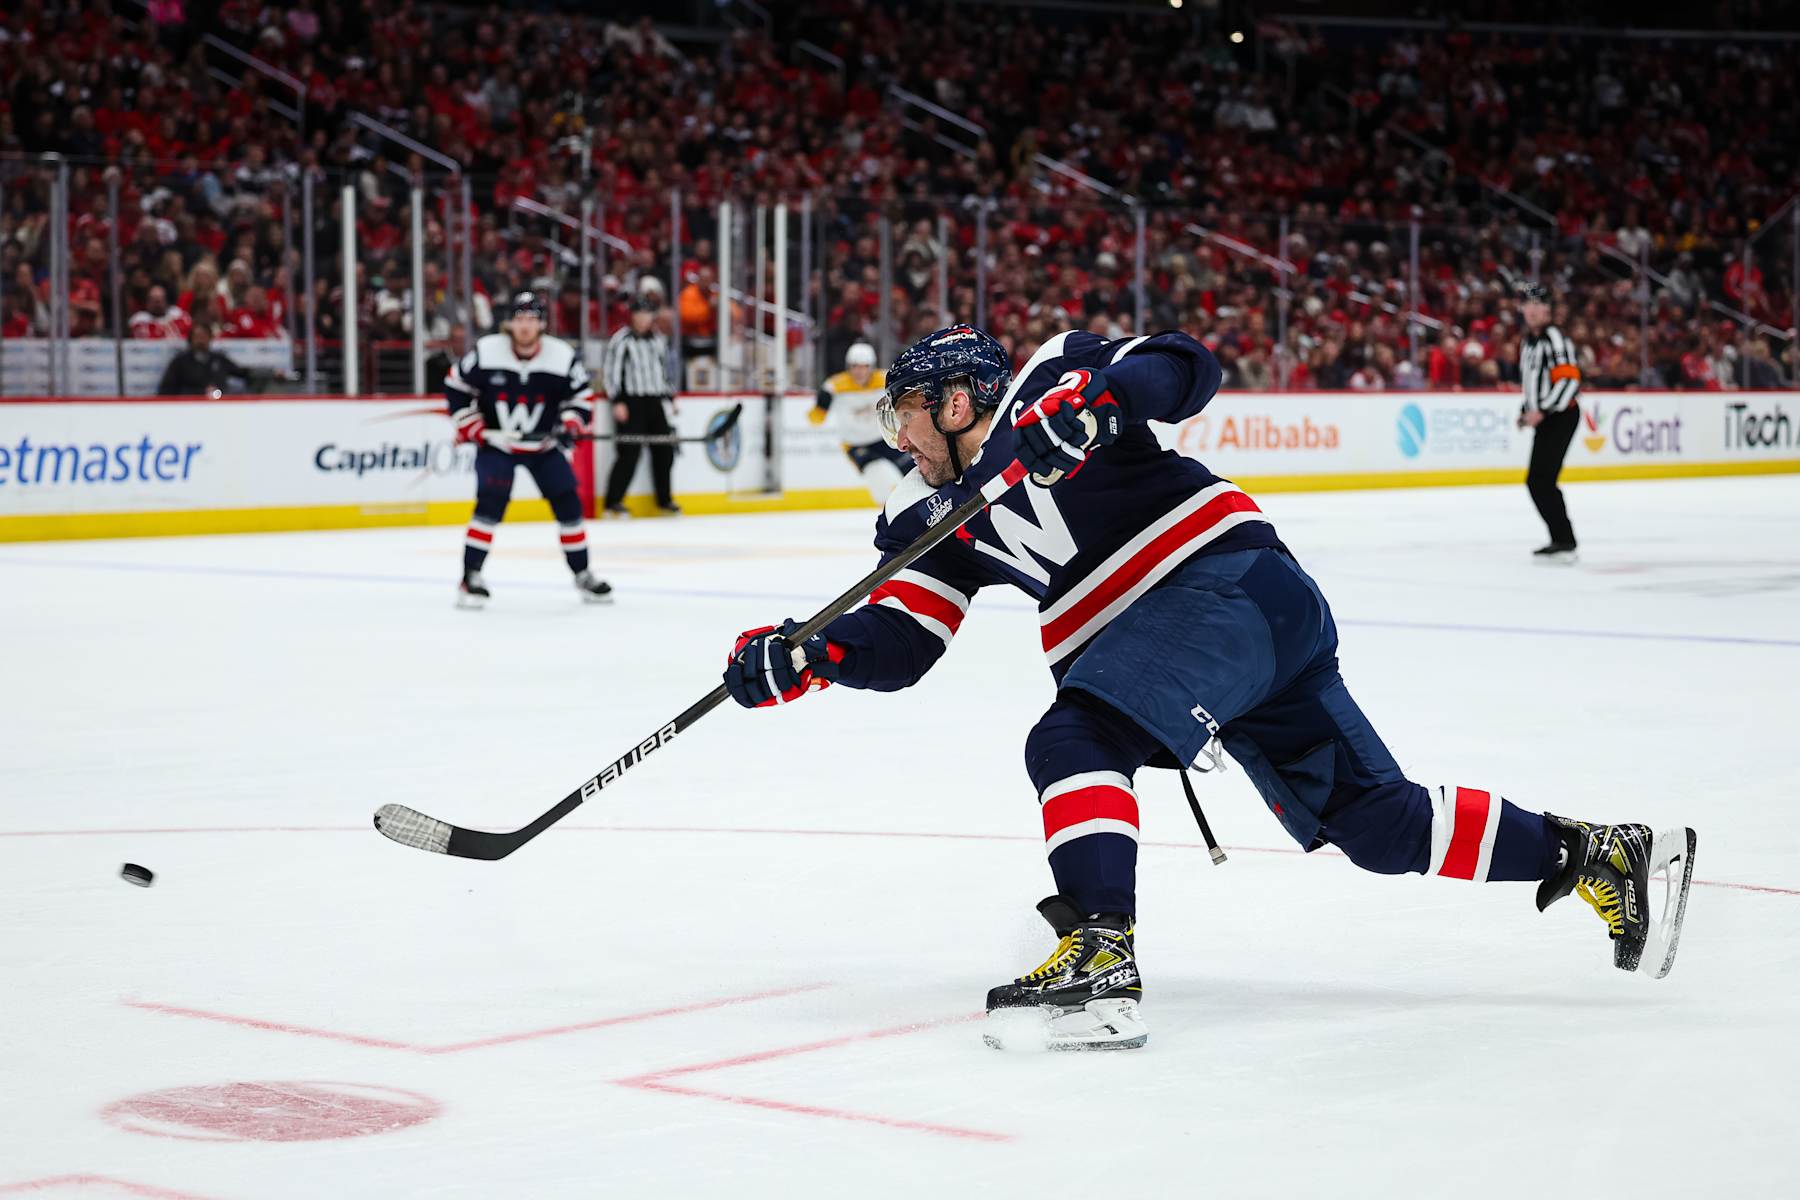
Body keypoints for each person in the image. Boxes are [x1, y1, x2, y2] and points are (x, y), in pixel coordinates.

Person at [721, 324, 1695, 1051]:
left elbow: (1187, 367)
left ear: (959, 400)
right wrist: (812, 655)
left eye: (905, 410)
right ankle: (1599, 854)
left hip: (1219, 590)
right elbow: (907, 639)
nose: (899, 435)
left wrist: (1100, 402)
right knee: (1378, 824)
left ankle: (1104, 953)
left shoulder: (1048, 387)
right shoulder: (927, 515)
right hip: (1228, 633)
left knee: (1075, 742)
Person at [444, 292, 611, 609]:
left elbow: (581, 398)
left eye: (531, 320)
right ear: (510, 323)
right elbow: (455, 386)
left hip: (542, 446)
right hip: (498, 445)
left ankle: (583, 573)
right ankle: (471, 576)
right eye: (519, 319)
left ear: (541, 324)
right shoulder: (487, 351)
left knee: (569, 506)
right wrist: (470, 423)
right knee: (489, 507)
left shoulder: (560, 355)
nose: (525, 326)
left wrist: (571, 424)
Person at [1516, 284, 1582, 563]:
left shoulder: (1554, 337)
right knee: (1539, 481)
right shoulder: (1528, 342)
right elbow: (1532, 382)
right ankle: (1561, 538)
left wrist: (1541, 410)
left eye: (1537, 305)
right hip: (1548, 416)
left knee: (1540, 481)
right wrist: (1527, 409)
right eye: (1527, 305)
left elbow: (1569, 379)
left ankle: (1564, 539)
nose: (1531, 311)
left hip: (1561, 415)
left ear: (1548, 310)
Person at [601, 294, 678, 516]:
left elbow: (664, 371)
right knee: (629, 452)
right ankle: (613, 501)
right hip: (631, 401)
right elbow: (611, 372)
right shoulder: (621, 340)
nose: (643, 319)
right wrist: (617, 400)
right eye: (639, 314)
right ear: (632, 316)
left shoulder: (658, 340)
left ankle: (665, 499)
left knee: (664, 451)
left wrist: (670, 397)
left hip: (654, 400)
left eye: (647, 314)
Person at [811, 342, 911, 502]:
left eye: (864, 366)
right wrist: (821, 405)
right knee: (876, 474)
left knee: (911, 469)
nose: (859, 371)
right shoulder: (835, 386)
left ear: (871, 366)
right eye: (855, 366)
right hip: (856, 444)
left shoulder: (885, 379)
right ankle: (891, 512)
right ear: (848, 367)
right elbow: (815, 419)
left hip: (885, 438)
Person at [156, 323, 254, 395]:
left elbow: (242, 373)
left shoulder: (219, 359)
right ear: (191, 340)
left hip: (220, 407)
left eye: (203, 337)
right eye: (197, 337)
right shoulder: (179, 362)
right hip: (189, 407)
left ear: (210, 338)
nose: (200, 341)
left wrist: (258, 374)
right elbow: (166, 389)